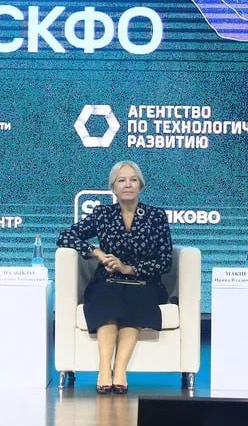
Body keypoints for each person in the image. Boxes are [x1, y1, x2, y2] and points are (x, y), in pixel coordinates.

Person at [57, 160, 172, 394]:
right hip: (108, 280)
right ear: (113, 188)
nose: (128, 185)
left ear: (141, 185)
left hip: (143, 280)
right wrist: (97, 253)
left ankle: (119, 370)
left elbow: (165, 260)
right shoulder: (103, 214)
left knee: (137, 298)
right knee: (106, 296)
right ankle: (103, 369)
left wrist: (129, 268)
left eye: (133, 180)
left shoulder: (156, 216)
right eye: (121, 180)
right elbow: (65, 236)